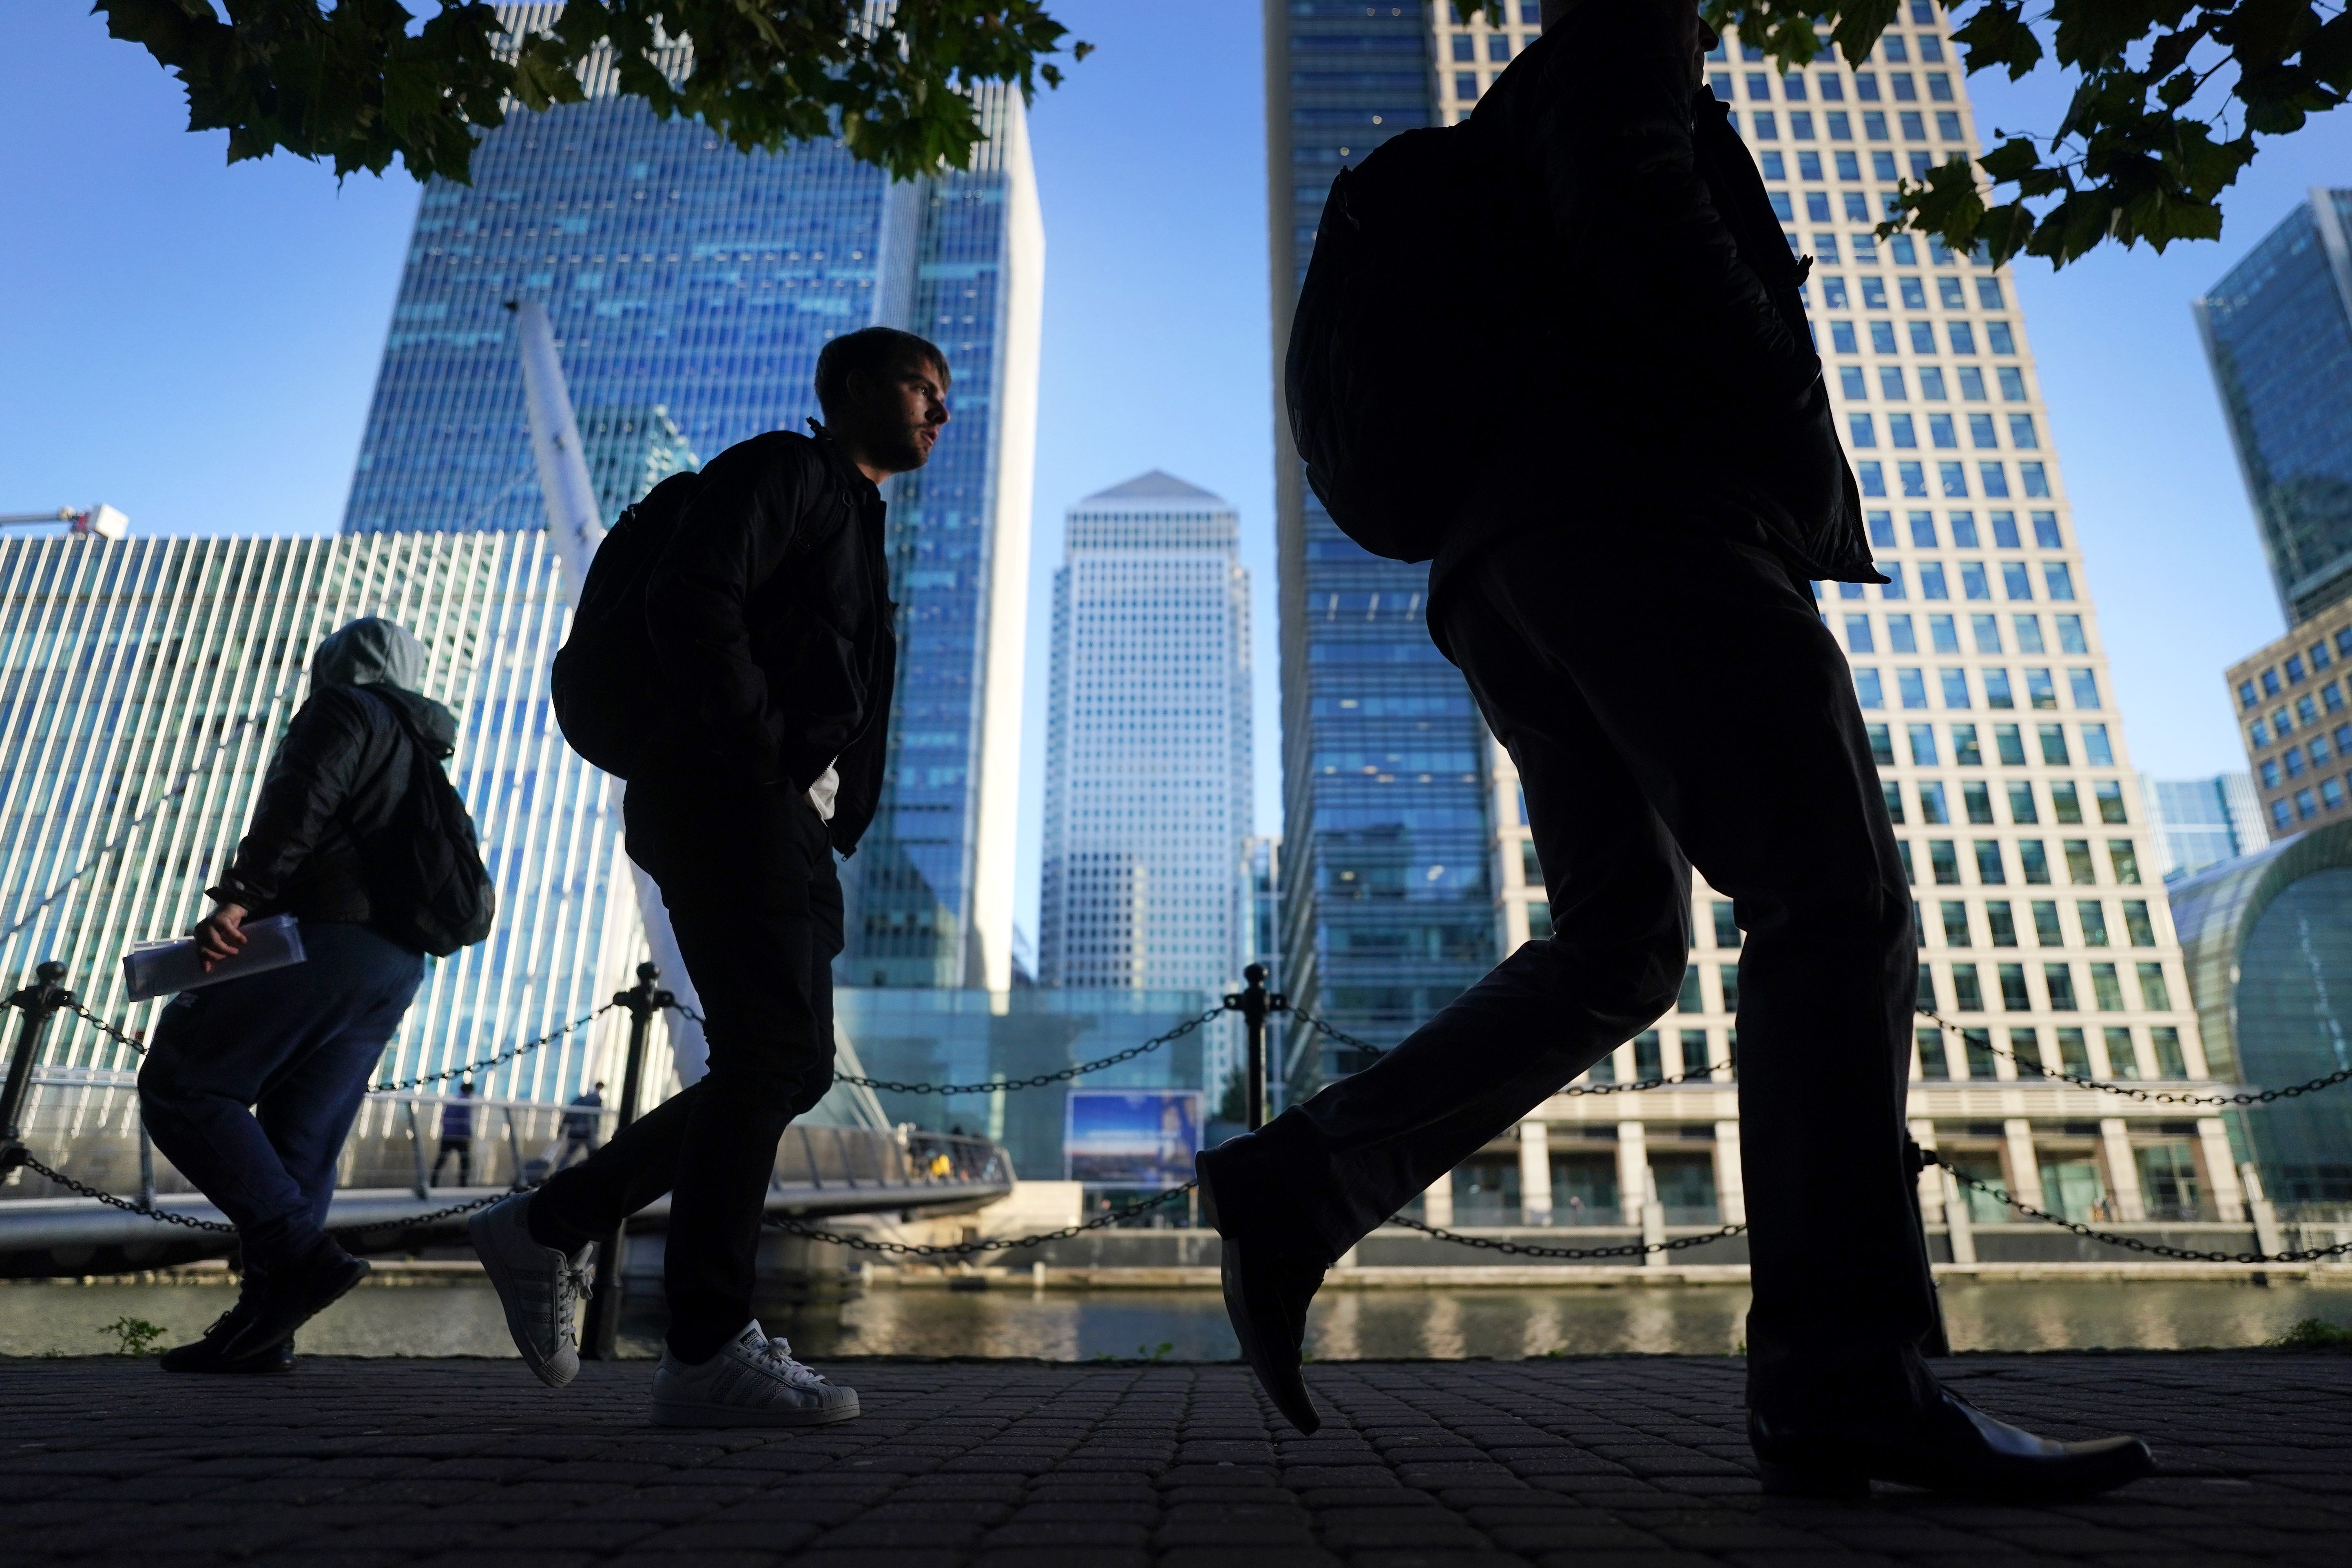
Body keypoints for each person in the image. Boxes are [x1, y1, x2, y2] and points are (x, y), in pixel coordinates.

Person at [1198, 0, 2156, 1500]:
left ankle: (1301, 1179)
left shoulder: (1521, 105)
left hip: (1506, 563)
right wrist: (1777, 409)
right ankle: (1851, 1377)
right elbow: (1641, 206)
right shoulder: (1621, 37)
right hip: (1648, 517)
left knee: (1622, 940)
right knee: (1830, 902)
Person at [469, 326, 946, 1426]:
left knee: (784, 1065)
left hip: (784, 817)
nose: (937, 411)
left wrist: (825, 807)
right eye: (923, 387)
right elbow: (694, 594)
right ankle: (701, 1342)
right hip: (731, 795)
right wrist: (760, 745)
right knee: (772, 1055)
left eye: (941, 395)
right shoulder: (789, 468)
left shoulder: (859, 521)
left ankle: (555, 1231)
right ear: (855, 388)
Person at [139, 618, 459, 1373]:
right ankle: (266, 1331)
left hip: (320, 938)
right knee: (301, 1144)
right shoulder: (424, 747)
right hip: (393, 964)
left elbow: (300, 798)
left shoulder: (343, 709)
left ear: (334, 666)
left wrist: (239, 897)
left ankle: (300, 1256)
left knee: (185, 1086)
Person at [430, 1077, 476, 1188]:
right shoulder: (466, 1103)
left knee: (442, 1159)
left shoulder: (454, 1101)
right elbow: (465, 1121)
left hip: (448, 1135)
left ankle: (433, 1182)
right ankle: (463, 1184)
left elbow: (445, 1118)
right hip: (460, 1137)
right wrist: (468, 1135)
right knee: (465, 1161)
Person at [552, 1081, 605, 1170]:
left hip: (575, 1131)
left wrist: (561, 1131)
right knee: (594, 1154)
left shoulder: (578, 1100)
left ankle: (559, 1171)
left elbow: (568, 1116)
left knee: (569, 1154)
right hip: (587, 1132)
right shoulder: (595, 1100)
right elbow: (595, 1118)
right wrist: (595, 1131)